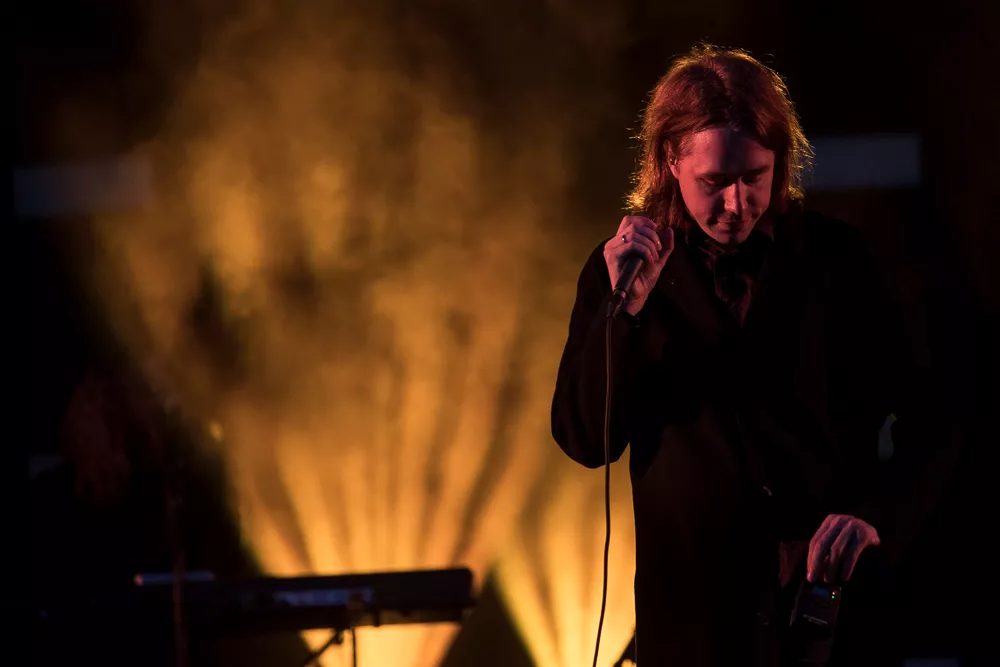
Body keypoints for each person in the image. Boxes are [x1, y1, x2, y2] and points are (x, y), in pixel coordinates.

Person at [551, 44, 967, 666]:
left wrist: (877, 517)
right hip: (696, 628)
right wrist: (625, 315)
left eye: (755, 176)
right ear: (670, 159)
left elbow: (933, 416)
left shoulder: (838, 260)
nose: (737, 203)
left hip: (829, 617)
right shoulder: (623, 271)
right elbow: (587, 439)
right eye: (715, 182)